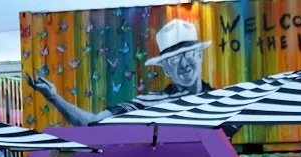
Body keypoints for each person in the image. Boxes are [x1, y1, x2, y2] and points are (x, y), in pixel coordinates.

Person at [26, 19, 214, 126]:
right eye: (174, 58)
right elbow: (92, 123)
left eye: (187, 54)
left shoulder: (224, 101)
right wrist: (53, 98)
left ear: (199, 55)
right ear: (165, 67)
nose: (183, 63)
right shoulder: (150, 103)